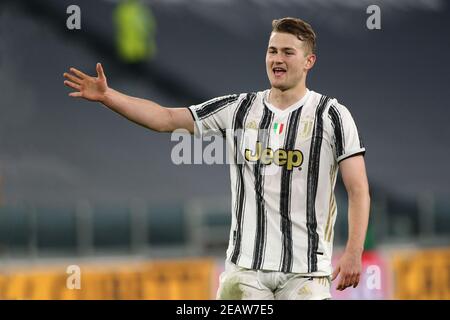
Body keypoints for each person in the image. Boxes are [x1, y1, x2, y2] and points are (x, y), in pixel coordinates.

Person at [63, 17, 370, 300]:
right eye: (272, 50)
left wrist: (354, 252)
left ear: (308, 61)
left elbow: (357, 190)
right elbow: (167, 118)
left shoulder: (332, 116)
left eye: (288, 52)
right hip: (246, 271)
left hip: (306, 272)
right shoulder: (239, 108)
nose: (277, 59)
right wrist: (109, 96)